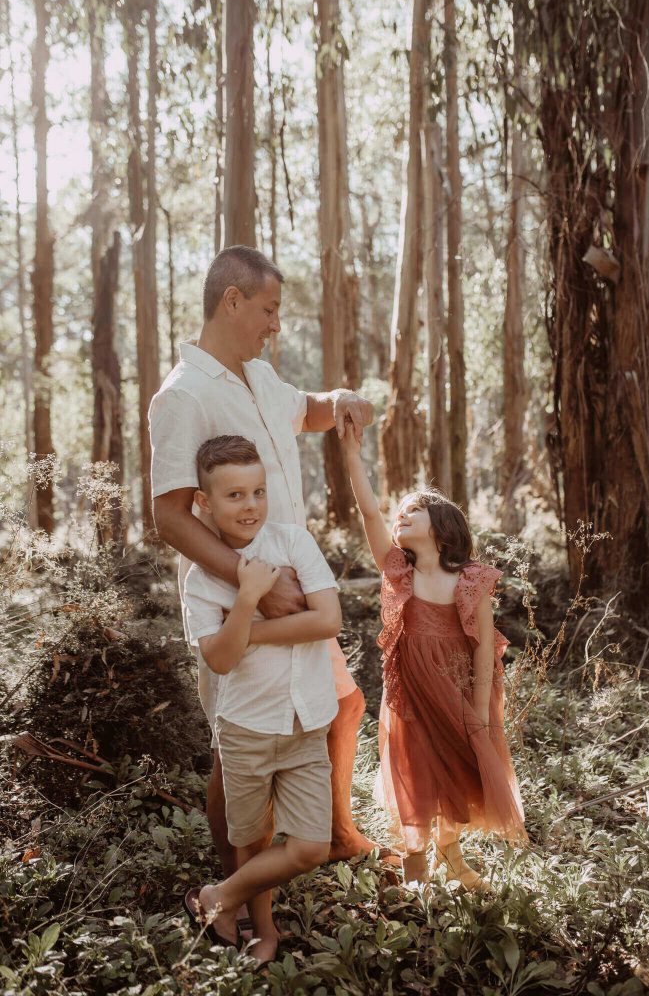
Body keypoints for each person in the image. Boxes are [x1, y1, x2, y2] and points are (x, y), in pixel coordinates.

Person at [149, 245, 389, 884]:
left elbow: (305, 409)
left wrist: (340, 398)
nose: (276, 325)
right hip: (238, 598)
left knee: (340, 705)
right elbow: (170, 517)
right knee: (238, 745)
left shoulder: (259, 376)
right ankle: (234, 893)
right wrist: (252, 584)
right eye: (269, 309)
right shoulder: (183, 396)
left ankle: (334, 836)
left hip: (294, 580)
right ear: (232, 301)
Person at [341, 422, 527, 889]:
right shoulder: (398, 571)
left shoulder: (470, 580)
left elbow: (484, 651)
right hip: (410, 695)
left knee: (455, 774)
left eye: (413, 510)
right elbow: (368, 511)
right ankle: (415, 864)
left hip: (457, 692)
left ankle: (452, 855)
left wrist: (480, 714)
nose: (400, 516)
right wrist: (352, 454)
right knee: (416, 772)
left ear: (443, 528)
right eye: (400, 512)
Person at [183, 435, 341, 964]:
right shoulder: (202, 578)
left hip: (307, 720)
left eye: (258, 491)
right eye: (234, 495)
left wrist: (244, 628)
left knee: (310, 847)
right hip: (247, 726)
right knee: (251, 839)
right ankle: (263, 931)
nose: (250, 505)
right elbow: (220, 660)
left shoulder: (294, 542)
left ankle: (217, 898)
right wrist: (248, 596)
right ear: (205, 502)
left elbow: (328, 620)